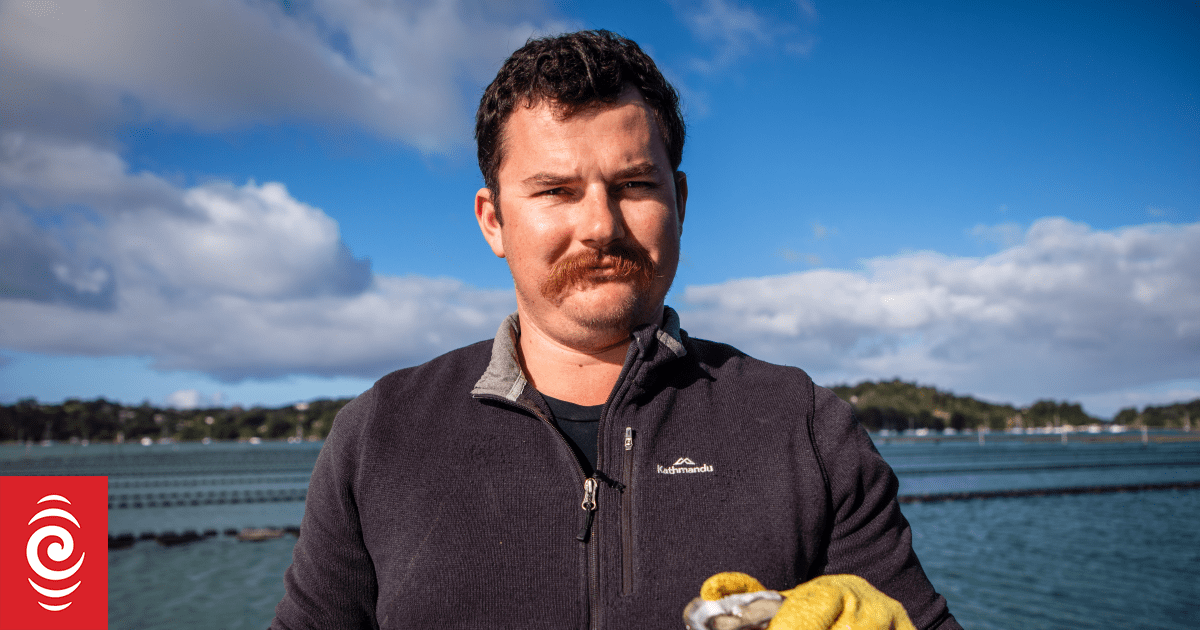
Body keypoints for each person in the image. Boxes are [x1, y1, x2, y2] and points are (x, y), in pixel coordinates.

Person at [271, 30, 960, 630]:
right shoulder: (381, 433)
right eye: (556, 191)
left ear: (680, 202)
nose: (601, 225)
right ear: (493, 221)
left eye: (634, 185)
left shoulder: (801, 425)